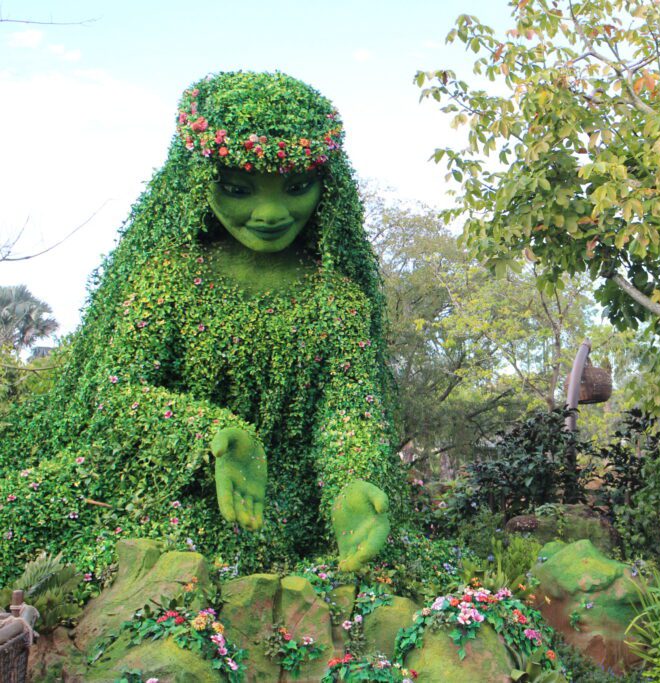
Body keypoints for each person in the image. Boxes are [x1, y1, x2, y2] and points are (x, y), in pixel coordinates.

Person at [0, 72, 402, 582]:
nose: (272, 213)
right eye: (238, 188)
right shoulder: (169, 278)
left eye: (297, 187)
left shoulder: (340, 301)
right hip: (153, 488)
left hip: (280, 507)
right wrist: (212, 434)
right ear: (198, 181)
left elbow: (349, 409)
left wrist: (351, 484)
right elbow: (114, 391)